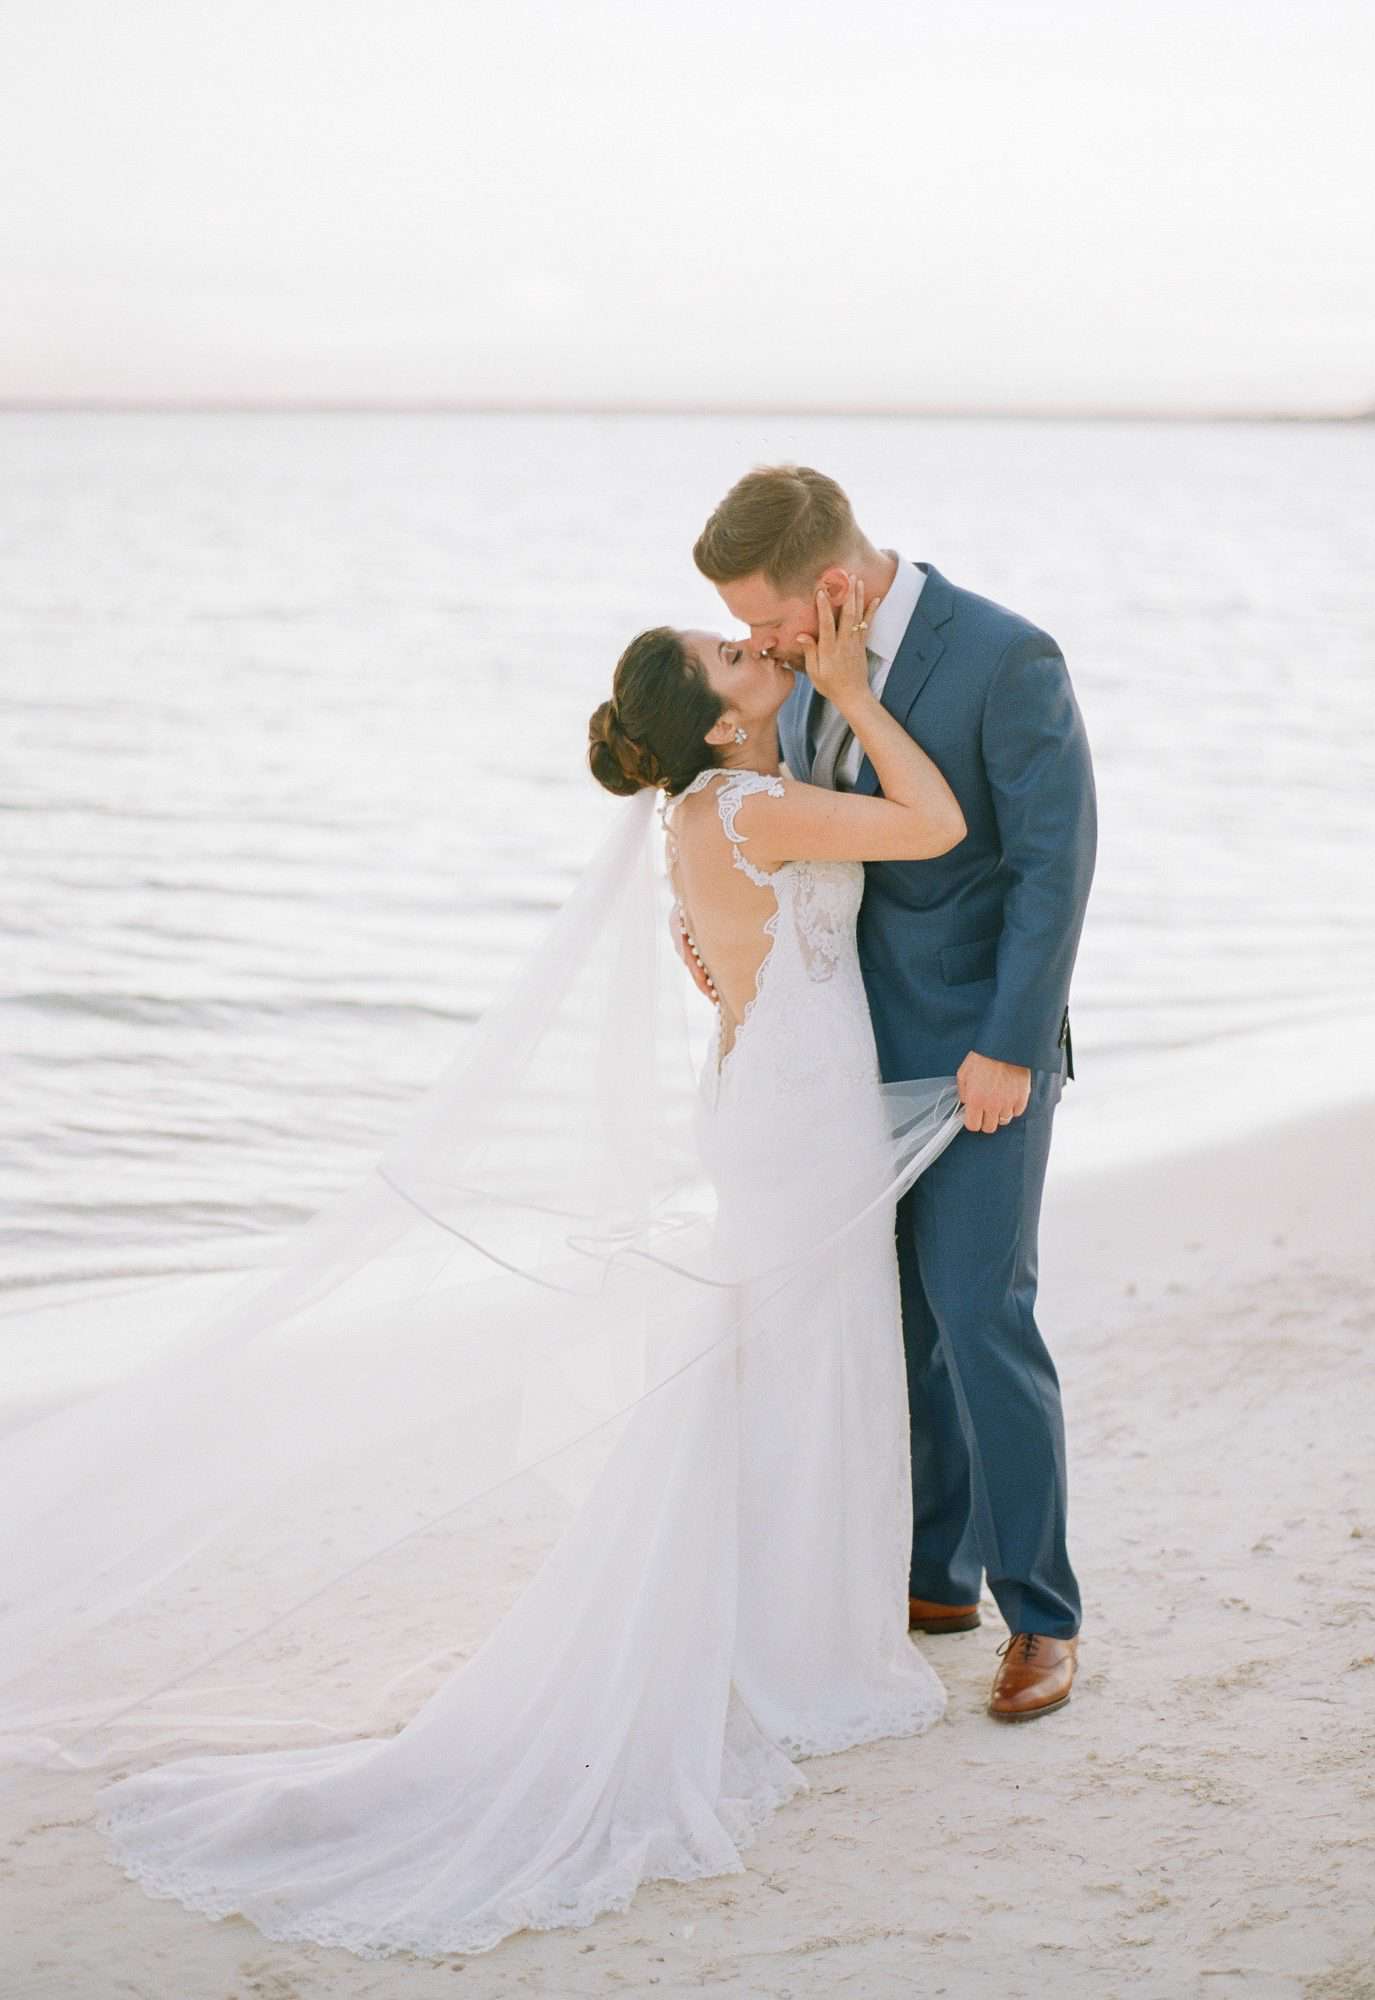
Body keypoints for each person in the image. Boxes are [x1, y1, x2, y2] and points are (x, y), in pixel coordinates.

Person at [37, 574, 978, 1959]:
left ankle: (796, 1630)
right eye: (730, 654)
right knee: (808, 1365)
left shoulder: (714, 811)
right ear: (720, 729)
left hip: (780, 1092)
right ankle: (797, 1651)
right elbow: (939, 824)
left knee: (796, 1367)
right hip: (789, 1110)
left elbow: (753, 951)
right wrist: (846, 693)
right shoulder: (751, 807)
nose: (749, 647)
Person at [689, 464, 1098, 1721]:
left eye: (763, 616)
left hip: (977, 1057)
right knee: (894, 1327)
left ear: (829, 583)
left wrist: (1010, 1044)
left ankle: (1042, 1615)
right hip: (838, 1065)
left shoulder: (1004, 655)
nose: (756, 643)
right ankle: (935, 1576)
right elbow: (775, 840)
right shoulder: (803, 674)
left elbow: (1052, 863)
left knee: (981, 1315)